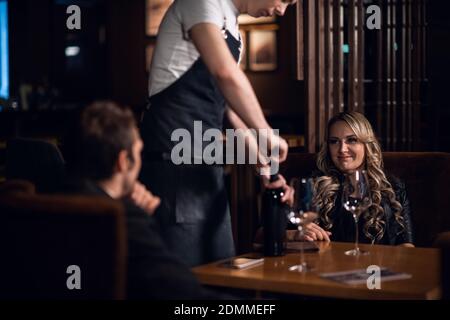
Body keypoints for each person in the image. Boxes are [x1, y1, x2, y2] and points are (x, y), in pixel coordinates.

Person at [140, 0, 296, 266]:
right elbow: (224, 73)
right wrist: (266, 131)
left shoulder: (234, 31)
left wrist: (266, 167)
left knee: (223, 272)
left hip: (206, 167)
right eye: (284, 0)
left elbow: (228, 109)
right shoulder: (202, 3)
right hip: (174, 164)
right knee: (188, 280)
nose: (282, 11)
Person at [65, 101, 217, 299]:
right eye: (138, 153)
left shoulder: (51, 203)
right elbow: (182, 290)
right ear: (122, 161)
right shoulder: (124, 219)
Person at [298, 112, 414, 247]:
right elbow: (284, 230)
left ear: (366, 144)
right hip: (329, 266)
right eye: (334, 141)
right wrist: (297, 233)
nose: (342, 149)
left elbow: (406, 243)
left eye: (351, 140)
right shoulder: (314, 184)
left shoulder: (393, 186)